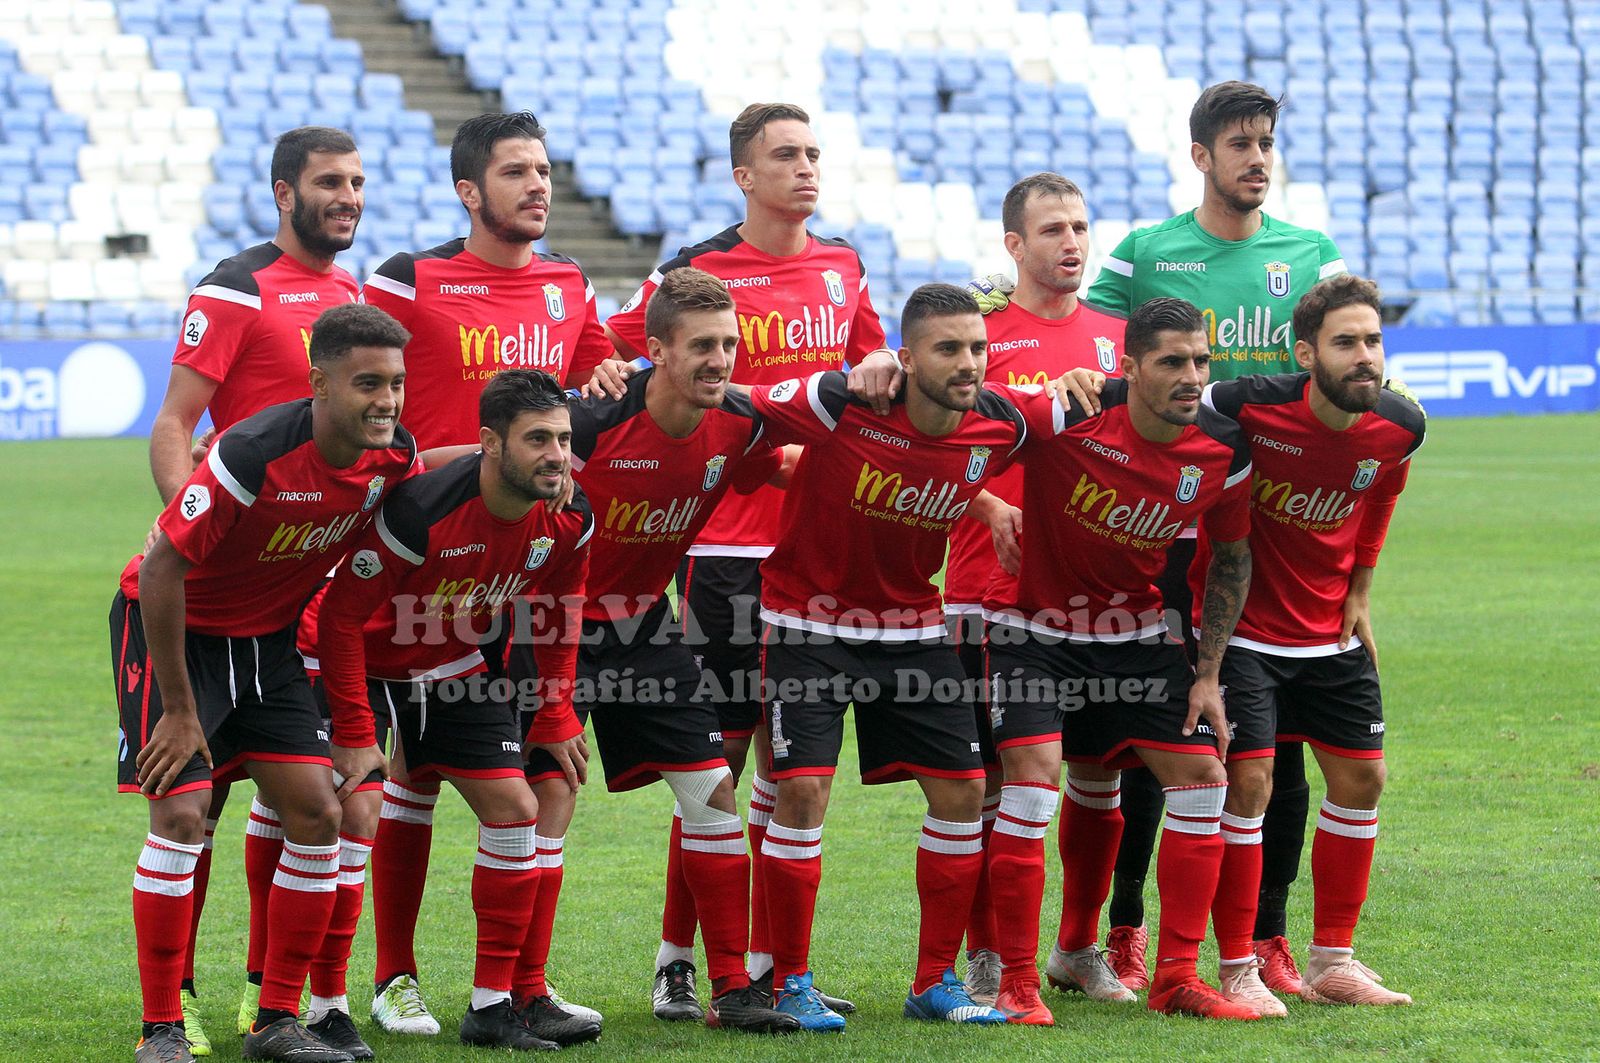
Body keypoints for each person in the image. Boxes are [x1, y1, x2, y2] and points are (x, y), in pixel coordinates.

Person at [983, 81, 1348, 992]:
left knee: (1265, 747)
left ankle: (1262, 942)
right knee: (1125, 750)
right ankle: (1112, 935)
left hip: (1262, 523)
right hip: (1144, 537)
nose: (1257, 157)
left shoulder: (1311, 253)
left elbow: (1346, 351)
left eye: (1266, 142)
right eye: (1240, 143)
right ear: (1201, 156)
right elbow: (1070, 320)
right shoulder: (1147, 255)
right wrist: (990, 315)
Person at [599, 101, 889, 1016]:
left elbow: (872, 377)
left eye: (814, 152)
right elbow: (612, 348)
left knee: (784, 764)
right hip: (725, 547)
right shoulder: (697, 272)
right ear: (743, 175)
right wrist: (603, 374)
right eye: (786, 154)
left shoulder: (843, 265)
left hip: (816, 549)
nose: (806, 168)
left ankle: (765, 965)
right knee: (715, 761)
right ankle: (678, 959)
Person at [358, 110, 611, 1035]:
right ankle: (393, 977)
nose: (538, 184)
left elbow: (594, 379)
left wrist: (611, 375)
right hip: (415, 562)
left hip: (517, 574)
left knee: (550, 774)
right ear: (469, 191)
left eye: (543, 169)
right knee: (411, 778)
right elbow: (354, 387)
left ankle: (519, 986)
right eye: (515, 171)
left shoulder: (568, 284)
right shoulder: (409, 279)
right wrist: (442, 464)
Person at [113, 303, 416, 1063]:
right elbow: (161, 569)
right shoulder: (252, 453)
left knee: (317, 811)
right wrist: (180, 710)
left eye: (396, 382)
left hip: (268, 644)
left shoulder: (391, 457)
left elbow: (431, 481)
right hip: (176, 634)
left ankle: (277, 1020)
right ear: (319, 383)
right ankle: (161, 1028)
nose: (386, 400)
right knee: (183, 814)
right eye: (368, 383)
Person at [514, 267, 798, 1032]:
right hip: (550, 625)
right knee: (551, 795)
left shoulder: (738, 422)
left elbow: (778, 463)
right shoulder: (589, 422)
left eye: (729, 343)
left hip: (645, 623)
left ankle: (732, 987)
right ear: (656, 349)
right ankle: (523, 991)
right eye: (702, 345)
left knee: (711, 790)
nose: (720, 359)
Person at [745, 283, 1025, 1031]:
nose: (968, 363)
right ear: (905, 358)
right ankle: (789, 981)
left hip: (913, 627)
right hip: (806, 622)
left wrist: (1085, 382)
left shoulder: (1002, 422)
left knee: (963, 792)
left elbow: (1091, 408)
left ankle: (935, 982)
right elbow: (742, 407)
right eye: (948, 348)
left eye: (977, 347)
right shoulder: (843, 403)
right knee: (803, 792)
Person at [143, 126, 366, 1051]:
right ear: (284, 193)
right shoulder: (237, 288)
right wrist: (195, 531)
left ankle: (265, 999)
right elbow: (175, 423)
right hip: (222, 580)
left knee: (303, 801)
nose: (347, 197)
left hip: (298, 591)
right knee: (199, 801)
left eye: (357, 182)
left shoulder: (351, 299)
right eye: (329, 182)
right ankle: (174, 1000)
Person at [980, 297, 1259, 1022]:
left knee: (1202, 781)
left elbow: (1231, 558)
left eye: (1201, 360)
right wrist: (988, 506)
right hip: (1033, 629)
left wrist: (1207, 674)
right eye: (1172, 361)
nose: (1191, 376)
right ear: (1128, 367)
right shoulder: (1069, 412)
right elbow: (954, 431)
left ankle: (1174, 977)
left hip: (1136, 634)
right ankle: (1016, 981)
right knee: (1034, 785)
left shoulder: (1224, 448)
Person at [315, 368, 599, 1051]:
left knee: (516, 808)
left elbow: (561, 608)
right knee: (355, 814)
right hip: (357, 659)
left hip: (449, 661)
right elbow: (340, 619)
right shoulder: (423, 511)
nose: (557, 455)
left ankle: (493, 1006)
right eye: (538, 439)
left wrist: (556, 709)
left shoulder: (569, 515)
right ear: (490, 444)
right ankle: (333, 1004)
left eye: (563, 439)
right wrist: (354, 730)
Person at [1188, 275, 1422, 1008]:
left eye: (1373, 340)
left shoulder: (1401, 426)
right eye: (1345, 342)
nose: (1365, 356)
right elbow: (1172, 408)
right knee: (1251, 785)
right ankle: (1237, 965)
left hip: (1329, 633)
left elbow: (1382, 496)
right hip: (1245, 632)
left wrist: (1361, 589)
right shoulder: (1243, 404)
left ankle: (1333, 961)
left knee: (1363, 780)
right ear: (1305, 353)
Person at [931, 172, 1128, 1004]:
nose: (1071, 241)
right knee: (990, 782)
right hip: (991, 592)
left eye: (1079, 226)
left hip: (1095, 599)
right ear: (1014, 245)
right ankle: (986, 951)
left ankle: (1078, 945)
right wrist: (984, 501)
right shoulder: (980, 336)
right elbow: (934, 440)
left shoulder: (1116, 336)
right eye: (1052, 229)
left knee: (1098, 776)